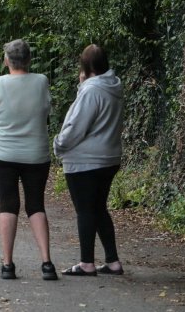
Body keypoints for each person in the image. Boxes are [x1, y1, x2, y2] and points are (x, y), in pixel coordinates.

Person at [0, 39, 57, 280]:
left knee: (8, 204)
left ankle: (7, 264)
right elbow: (47, 109)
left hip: (2, 153)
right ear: (29, 60)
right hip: (35, 153)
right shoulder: (41, 81)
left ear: (6, 60)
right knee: (36, 205)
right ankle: (47, 263)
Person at [54, 44, 125, 277]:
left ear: (85, 66)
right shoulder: (113, 86)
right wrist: (83, 85)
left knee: (85, 211)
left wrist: (59, 144)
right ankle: (112, 261)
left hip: (85, 161)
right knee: (99, 208)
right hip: (109, 157)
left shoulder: (91, 90)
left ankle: (86, 263)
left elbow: (77, 125)